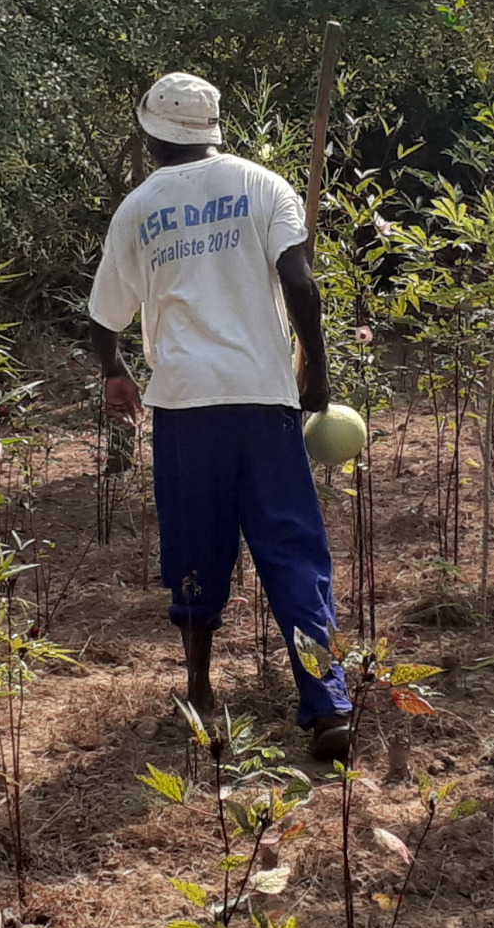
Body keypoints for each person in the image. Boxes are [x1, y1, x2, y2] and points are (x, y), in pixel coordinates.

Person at [87, 71, 354, 762]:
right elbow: (300, 282)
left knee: (195, 547)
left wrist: (115, 371)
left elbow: (104, 316)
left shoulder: (138, 208)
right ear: (212, 128)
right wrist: (315, 372)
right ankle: (327, 703)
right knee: (292, 548)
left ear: (150, 135)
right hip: (264, 397)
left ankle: (202, 688)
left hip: (185, 403)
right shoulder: (265, 186)